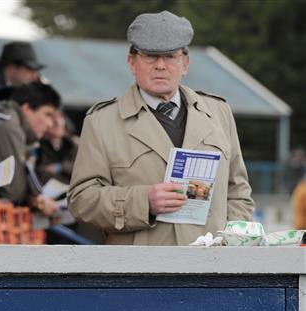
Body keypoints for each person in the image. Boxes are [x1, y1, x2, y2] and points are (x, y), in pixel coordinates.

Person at [68, 10, 254, 246]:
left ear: (184, 63)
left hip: (212, 267)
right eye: (150, 56)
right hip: (142, 272)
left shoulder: (219, 112)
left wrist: (230, 242)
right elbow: (81, 200)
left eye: (169, 57)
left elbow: (238, 191)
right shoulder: (101, 121)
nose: (160, 66)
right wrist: (143, 201)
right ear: (132, 63)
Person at [0, 81, 60, 216]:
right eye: (47, 114)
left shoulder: (13, 124)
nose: (50, 124)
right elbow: (13, 191)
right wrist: (34, 200)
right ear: (27, 108)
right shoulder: (9, 127)